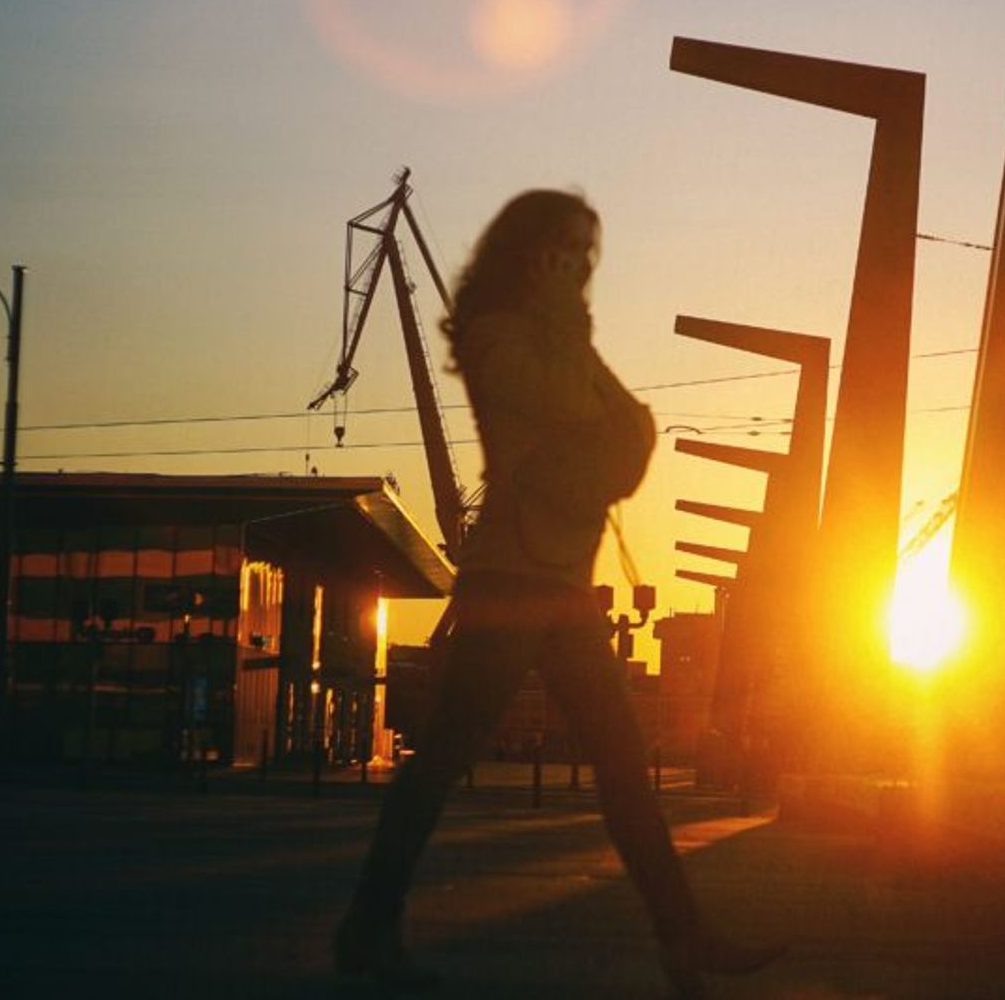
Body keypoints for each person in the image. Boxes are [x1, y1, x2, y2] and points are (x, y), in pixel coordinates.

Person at [334, 190, 782, 996]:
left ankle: (684, 938)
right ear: (530, 251)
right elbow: (584, 407)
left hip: (567, 586)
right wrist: (590, 396)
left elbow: (637, 425)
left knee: (618, 761)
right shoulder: (495, 335)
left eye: (588, 254)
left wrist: (603, 420)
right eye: (567, 250)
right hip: (510, 580)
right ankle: (367, 928)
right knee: (440, 760)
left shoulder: (559, 338)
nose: (580, 267)